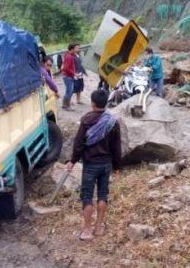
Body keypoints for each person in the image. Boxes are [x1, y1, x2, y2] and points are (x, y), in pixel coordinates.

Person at [67, 90, 121, 241]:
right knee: (103, 195)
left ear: (92, 103)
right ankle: (98, 228)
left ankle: (87, 231)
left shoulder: (86, 120)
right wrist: (116, 166)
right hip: (106, 165)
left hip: (90, 164)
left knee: (87, 197)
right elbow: (117, 147)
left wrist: (72, 160)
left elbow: (79, 144)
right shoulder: (112, 121)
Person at [61, 44, 78, 110]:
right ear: (72, 49)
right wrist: (74, 73)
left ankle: (65, 104)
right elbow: (66, 68)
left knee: (69, 90)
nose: (77, 50)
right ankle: (66, 106)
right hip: (67, 76)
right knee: (69, 91)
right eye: (76, 48)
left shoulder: (68, 55)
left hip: (67, 76)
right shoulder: (69, 57)